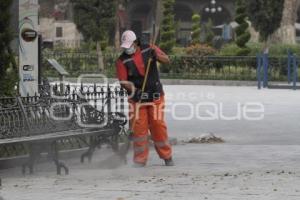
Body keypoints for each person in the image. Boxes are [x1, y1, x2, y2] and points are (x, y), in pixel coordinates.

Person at [116, 30, 174, 167]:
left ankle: (167, 156)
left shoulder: (149, 48)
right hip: (137, 100)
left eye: (130, 45)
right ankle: (140, 160)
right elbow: (123, 82)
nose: (127, 48)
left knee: (158, 126)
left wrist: (156, 56)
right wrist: (135, 91)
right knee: (139, 131)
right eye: (125, 46)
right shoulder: (121, 60)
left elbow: (167, 60)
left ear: (136, 42)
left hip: (155, 97)